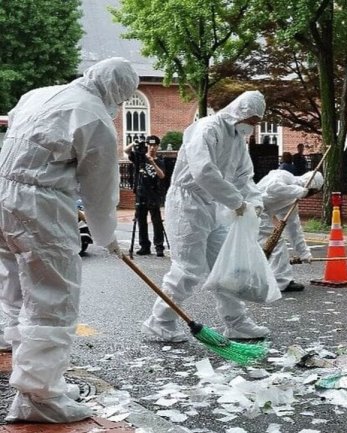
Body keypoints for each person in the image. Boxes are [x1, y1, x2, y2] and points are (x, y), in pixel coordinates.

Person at [0, 57, 138, 423]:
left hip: (3, 193)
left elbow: (17, 125)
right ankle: (40, 396)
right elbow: (100, 189)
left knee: (18, 293)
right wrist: (107, 236)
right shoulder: (94, 118)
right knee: (51, 300)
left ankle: (39, 383)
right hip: (38, 206)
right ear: (118, 92)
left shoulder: (41, 93)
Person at [142, 90, 269, 343]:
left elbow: (244, 176)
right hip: (187, 202)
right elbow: (204, 171)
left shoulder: (236, 140)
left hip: (213, 204)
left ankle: (236, 322)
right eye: (252, 121)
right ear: (239, 112)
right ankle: (159, 321)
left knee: (226, 266)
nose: (252, 127)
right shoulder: (206, 128)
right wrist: (236, 200)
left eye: (256, 123)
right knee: (188, 269)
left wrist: (254, 202)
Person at [258, 169, 323, 292]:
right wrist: (298, 191)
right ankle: (281, 281)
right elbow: (273, 188)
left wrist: (304, 253)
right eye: (312, 192)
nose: (311, 195)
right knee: (277, 243)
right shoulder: (284, 176)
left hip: (260, 214)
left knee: (264, 245)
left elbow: (294, 229)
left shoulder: (292, 201)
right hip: (254, 209)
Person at [124, 135, 166, 256]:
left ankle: (159, 246)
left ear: (158, 146)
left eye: (155, 145)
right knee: (141, 221)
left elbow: (162, 175)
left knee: (157, 221)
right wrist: (135, 143)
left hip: (154, 194)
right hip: (141, 193)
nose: (152, 148)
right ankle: (144, 246)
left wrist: (152, 162)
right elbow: (126, 151)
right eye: (150, 145)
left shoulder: (160, 160)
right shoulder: (140, 158)